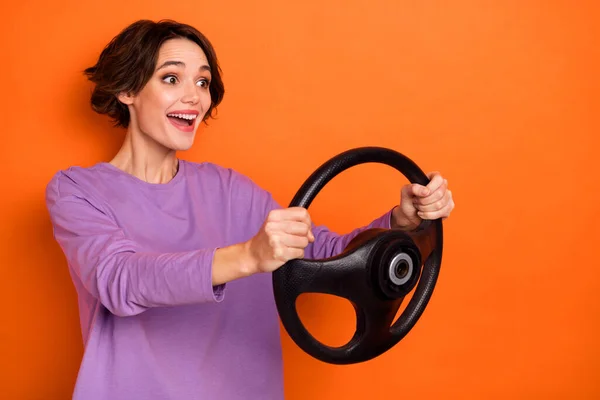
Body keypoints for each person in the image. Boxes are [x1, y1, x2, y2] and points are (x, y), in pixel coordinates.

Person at [45, 19, 455, 400]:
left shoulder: (230, 190)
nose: (194, 96)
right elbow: (120, 280)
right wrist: (248, 256)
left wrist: (400, 224)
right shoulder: (78, 190)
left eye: (202, 82)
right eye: (171, 78)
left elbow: (322, 253)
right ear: (127, 90)